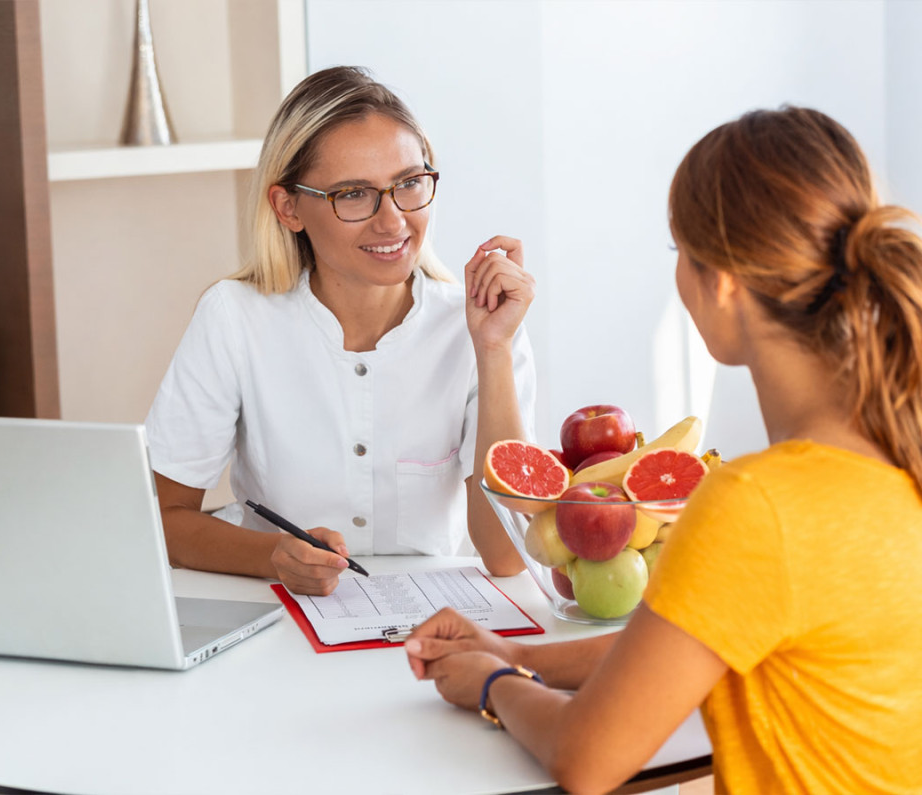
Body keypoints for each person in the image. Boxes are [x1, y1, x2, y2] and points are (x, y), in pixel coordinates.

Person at [403, 106, 922, 793]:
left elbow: (584, 759)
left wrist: (494, 683)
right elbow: (691, 635)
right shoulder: (895, 452)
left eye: (679, 252)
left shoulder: (755, 504)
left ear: (725, 283)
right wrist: (522, 652)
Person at [145, 66, 535, 595]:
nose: (393, 221)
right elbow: (162, 519)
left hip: (437, 626)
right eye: (353, 194)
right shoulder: (234, 318)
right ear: (288, 207)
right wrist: (271, 556)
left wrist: (492, 350)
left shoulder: (483, 327)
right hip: (278, 620)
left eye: (410, 184)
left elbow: (507, 554)